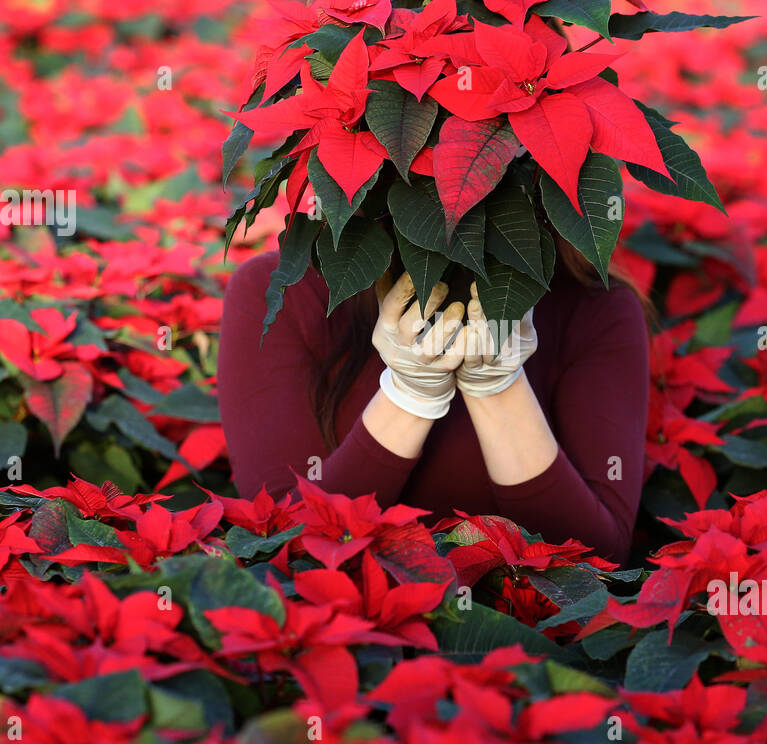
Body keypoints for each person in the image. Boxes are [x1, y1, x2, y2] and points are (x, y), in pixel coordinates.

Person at [217, 233, 650, 564]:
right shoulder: (278, 292)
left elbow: (598, 559)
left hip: (520, 658)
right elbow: (279, 545)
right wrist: (408, 396)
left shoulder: (596, 306)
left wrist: (497, 387)